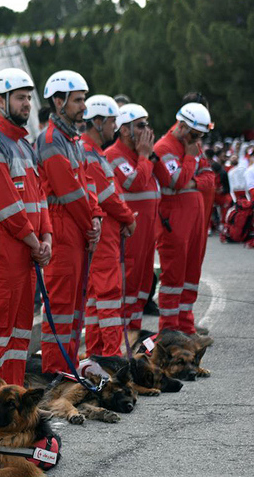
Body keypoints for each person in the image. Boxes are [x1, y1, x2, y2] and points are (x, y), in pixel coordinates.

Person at [0, 68, 52, 403]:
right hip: (1, 247)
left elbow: (39, 196)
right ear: (0, 101)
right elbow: (5, 207)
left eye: (29, 98)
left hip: (26, 248)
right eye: (20, 97)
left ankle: (15, 403)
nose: (27, 104)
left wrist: (46, 236)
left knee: (20, 334)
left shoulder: (23, 144)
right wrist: (36, 243)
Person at [36, 70, 102, 374]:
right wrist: (91, 223)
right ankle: (56, 370)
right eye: (78, 100)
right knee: (61, 307)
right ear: (58, 102)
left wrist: (97, 217)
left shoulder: (72, 139)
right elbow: (69, 190)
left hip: (77, 225)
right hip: (62, 227)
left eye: (84, 99)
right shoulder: (51, 140)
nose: (83, 106)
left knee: (76, 306)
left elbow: (87, 183)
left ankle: (70, 367)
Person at [80, 96, 136, 357]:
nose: (115, 127)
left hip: (106, 232)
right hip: (105, 234)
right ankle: (110, 356)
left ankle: (96, 353)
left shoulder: (94, 152)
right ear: (98, 121)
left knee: (95, 298)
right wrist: (128, 218)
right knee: (109, 294)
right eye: (112, 121)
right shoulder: (90, 153)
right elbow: (107, 196)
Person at [152, 103, 213, 337]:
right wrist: (189, 160)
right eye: (196, 135)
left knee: (191, 273)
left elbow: (209, 177)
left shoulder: (193, 146)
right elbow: (175, 180)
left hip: (193, 217)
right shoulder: (164, 147)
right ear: (183, 126)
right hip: (174, 220)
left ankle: (186, 326)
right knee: (174, 275)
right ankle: (169, 329)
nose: (198, 141)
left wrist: (192, 181)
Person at [105, 104, 158, 342]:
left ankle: (134, 336)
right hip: (129, 235)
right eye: (140, 125)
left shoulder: (140, 156)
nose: (147, 131)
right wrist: (145, 156)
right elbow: (134, 182)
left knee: (141, 287)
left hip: (146, 236)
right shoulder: (114, 156)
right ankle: (121, 340)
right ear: (125, 130)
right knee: (127, 288)